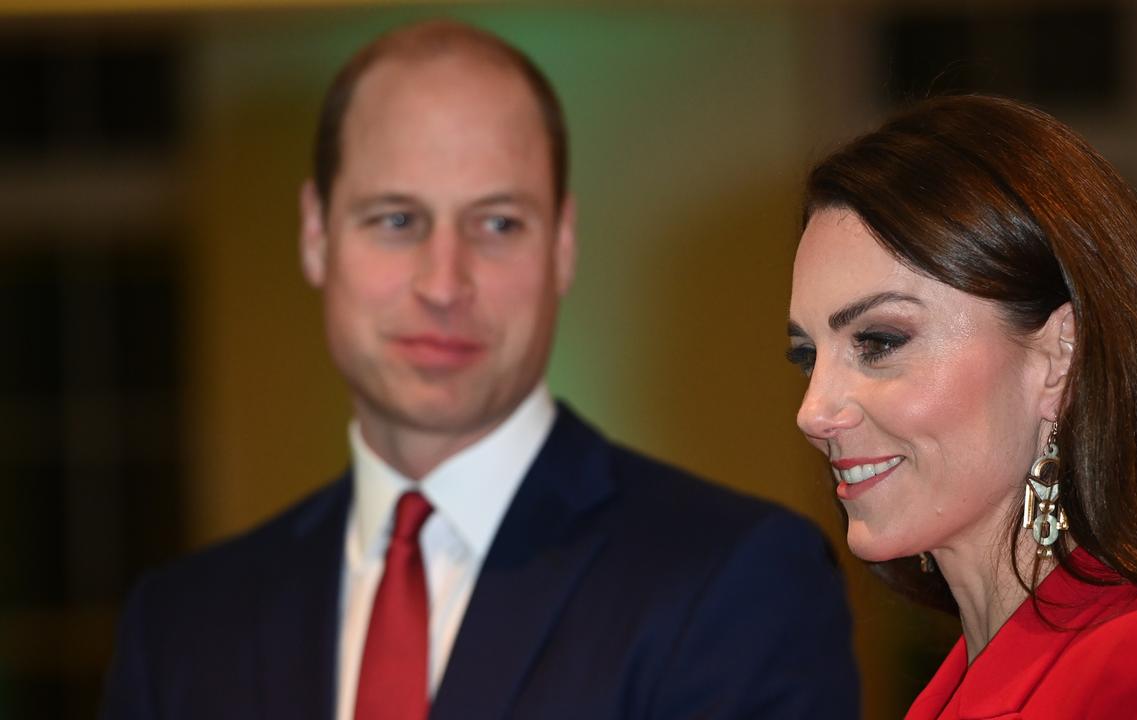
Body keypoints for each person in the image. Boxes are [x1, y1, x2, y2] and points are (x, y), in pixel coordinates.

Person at [100, 19, 860, 720]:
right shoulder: (180, 627)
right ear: (314, 235)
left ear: (562, 244)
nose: (443, 283)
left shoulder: (734, 584)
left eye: (497, 223)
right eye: (396, 220)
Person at [786, 94, 1137, 718]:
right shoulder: (946, 698)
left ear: (1058, 358)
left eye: (878, 342)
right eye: (808, 357)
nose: (814, 410)